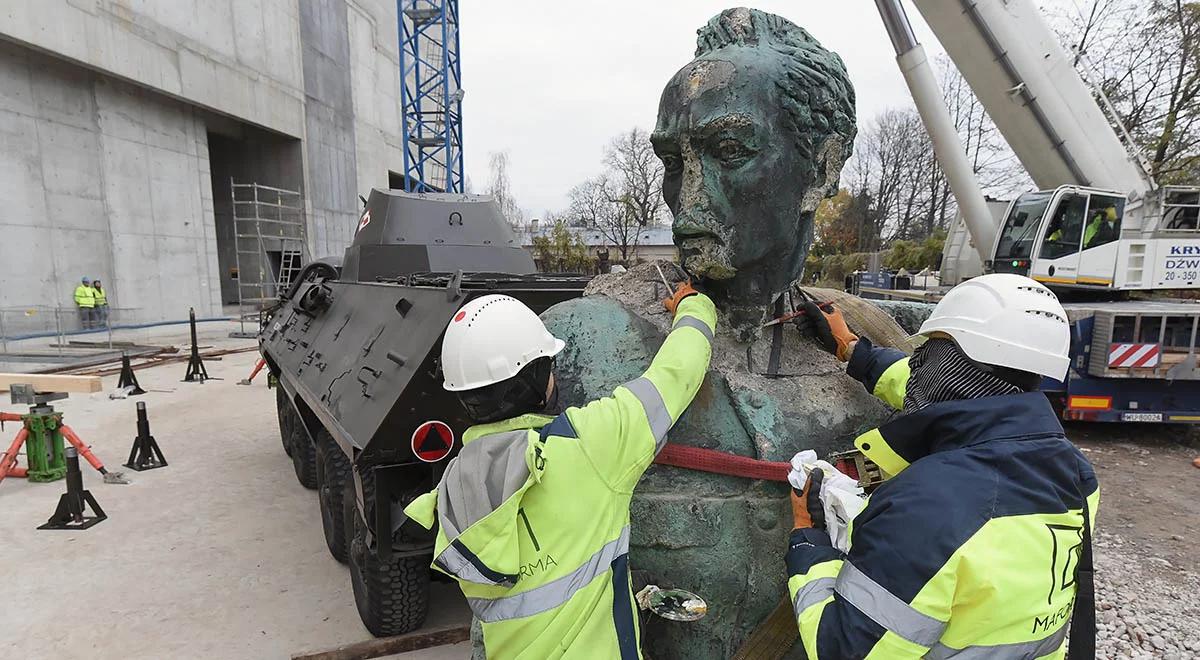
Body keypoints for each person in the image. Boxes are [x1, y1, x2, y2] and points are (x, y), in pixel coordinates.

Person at [789, 273, 1099, 659]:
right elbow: (944, 396)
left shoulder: (924, 509)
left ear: (954, 364)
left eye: (932, 348)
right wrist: (853, 350)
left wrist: (808, 540)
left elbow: (839, 649)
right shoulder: (1076, 475)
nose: (916, 360)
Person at [405, 282, 716, 659]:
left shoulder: (453, 486)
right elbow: (677, 372)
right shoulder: (588, 444)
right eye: (548, 366)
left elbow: (533, 587)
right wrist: (695, 307)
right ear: (535, 376)